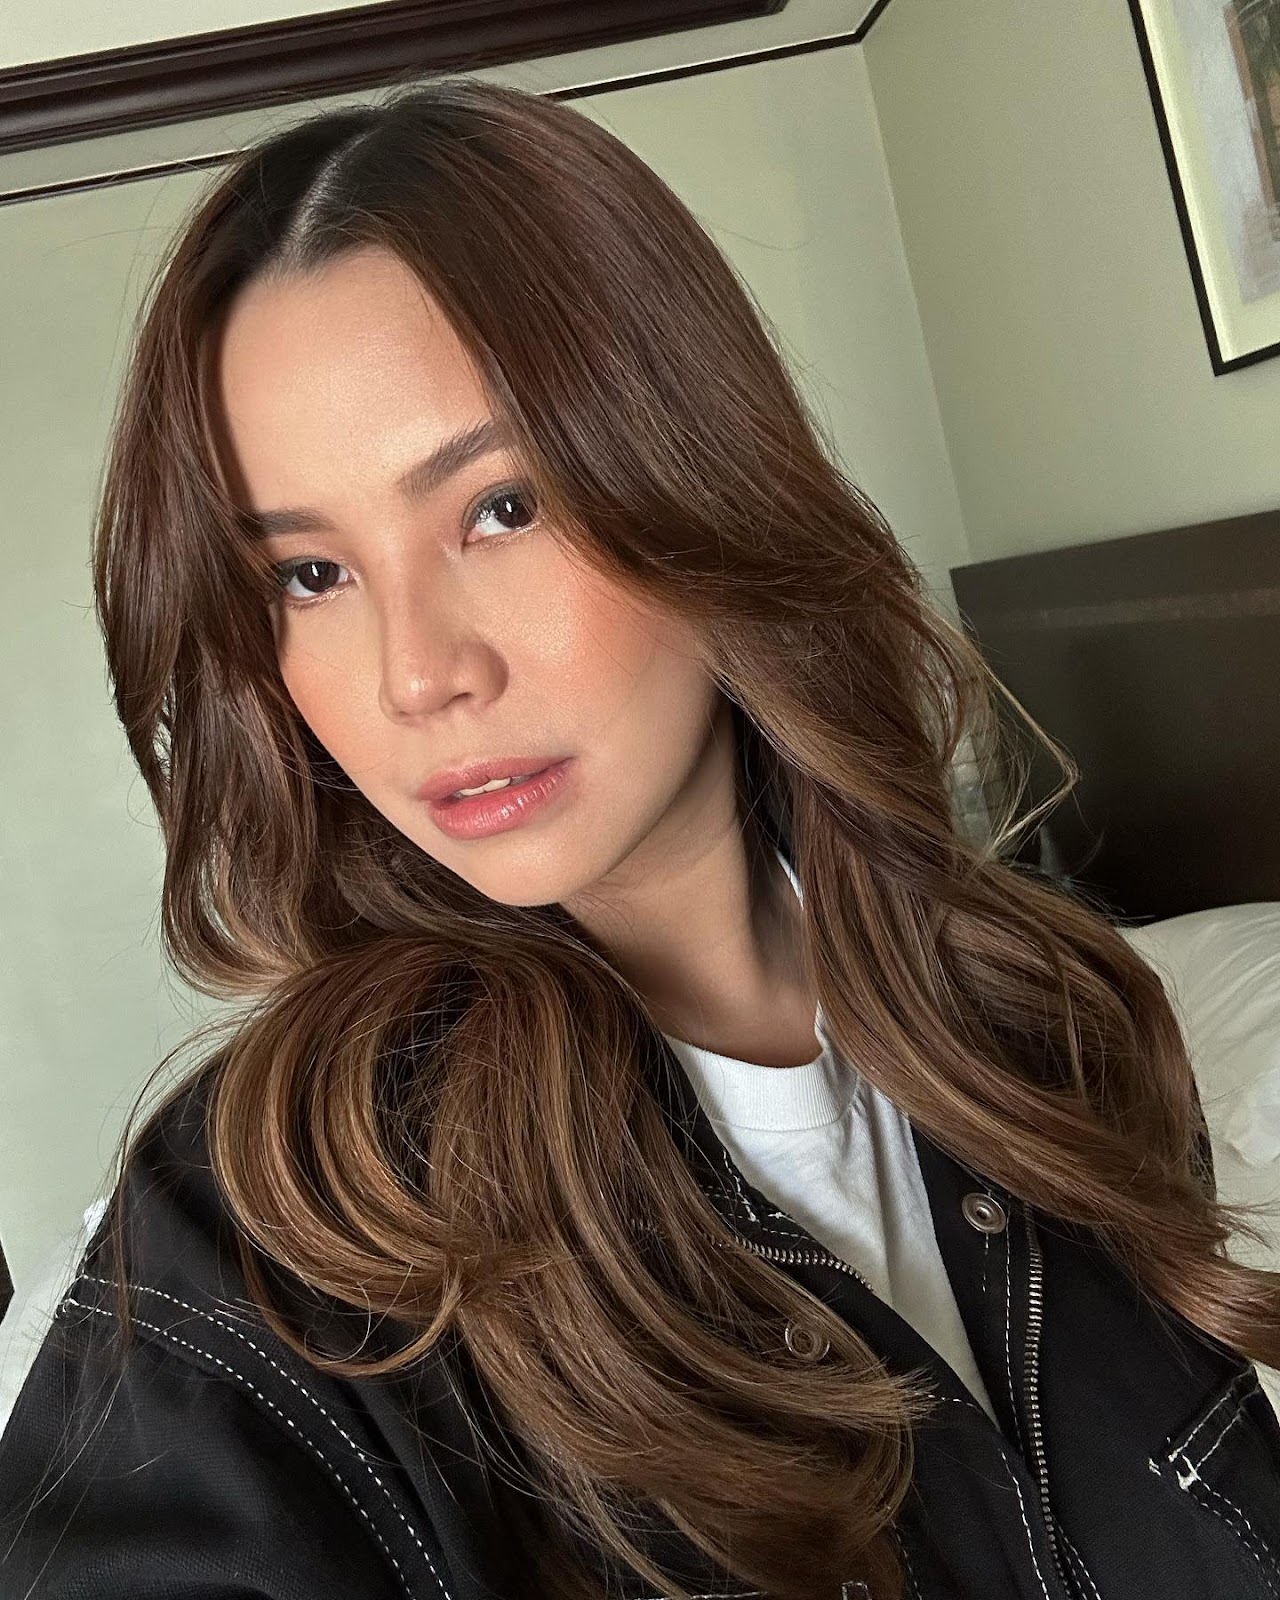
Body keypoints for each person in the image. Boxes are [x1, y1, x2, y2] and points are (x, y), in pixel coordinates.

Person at [1, 71, 1278, 1600]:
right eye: (310, 577)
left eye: (501, 506)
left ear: (699, 476)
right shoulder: (251, 1254)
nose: (418, 674)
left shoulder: (1048, 1023)